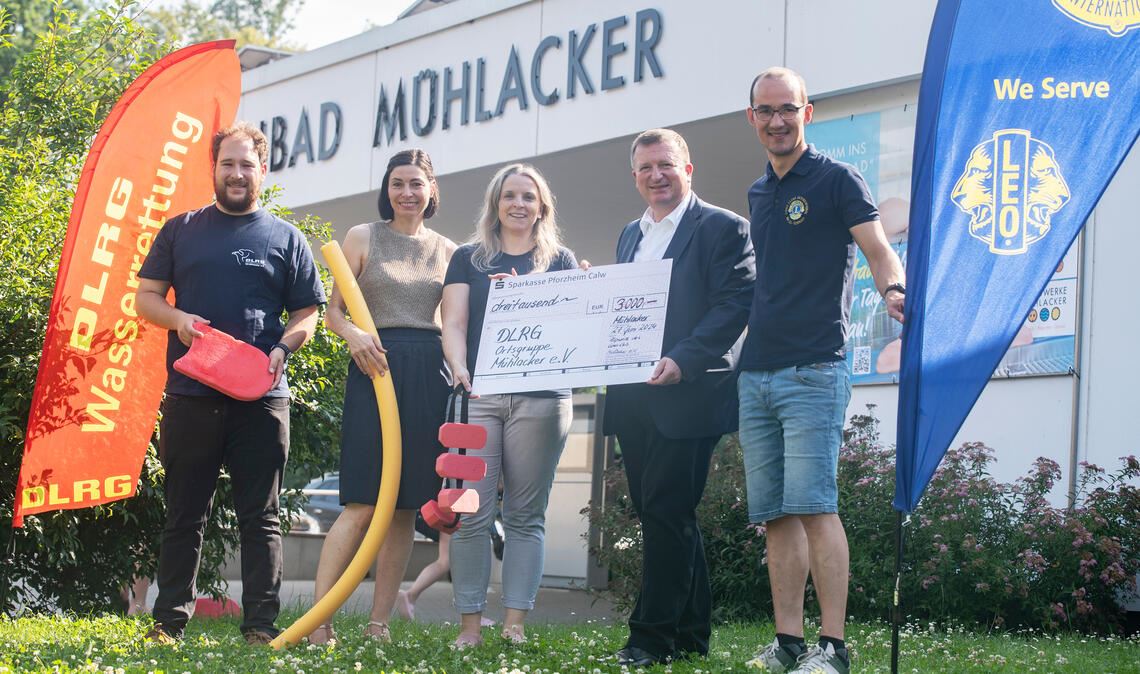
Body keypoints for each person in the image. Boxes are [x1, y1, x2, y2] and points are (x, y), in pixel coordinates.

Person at [739, 67, 905, 674]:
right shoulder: (758, 193)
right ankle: (788, 644)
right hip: (755, 372)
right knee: (775, 516)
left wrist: (893, 288)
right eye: (766, 110)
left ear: (807, 113)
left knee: (814, 505)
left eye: (789, 109)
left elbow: (878, 246)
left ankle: (832, 650)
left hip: (815, 367)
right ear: (751, 117)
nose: (777, 120)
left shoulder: (837, 178)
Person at [137, 122, 326, 645]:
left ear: (262, 171)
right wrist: (178, 320)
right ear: (214, 168)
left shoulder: (286, 238)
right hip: (192, 395)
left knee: (260, 517)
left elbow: (308, 311)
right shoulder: (181, 229)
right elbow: (146, 296)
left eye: (247, 165)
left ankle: (261, 626)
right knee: (184, 514)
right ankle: (168, 623)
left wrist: (284, 348)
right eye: (228, 164)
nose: (238, 173)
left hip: (262, 397)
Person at [603, 128, 755, 666]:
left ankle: (650, 639)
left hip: (689, 392)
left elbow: (735, 304)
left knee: (667, 508)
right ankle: (691, 635)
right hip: (632, 393)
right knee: (660, 511)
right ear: (635, 176)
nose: (655, 175)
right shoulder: (630, 234)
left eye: (665, 164)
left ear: (687, 169)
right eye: (645, 168)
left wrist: (683, 360)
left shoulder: (723, 227)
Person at [307, 149, 456, 645]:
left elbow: (456, 322)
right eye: (398, 183)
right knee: (363, 502)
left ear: (432, 190)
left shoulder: (449, 251)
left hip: (427, 376)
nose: (407, 192)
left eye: (417, 183)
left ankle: (379, 624)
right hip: (374, 369)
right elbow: (332, 313)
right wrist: (353, 336)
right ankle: (319, 622)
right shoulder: (362, 237)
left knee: (406, 508)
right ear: (387, 188)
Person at [441, 163, 577, 648]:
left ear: (542, 207)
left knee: (525, 516)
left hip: (543, 401)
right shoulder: (466, 258)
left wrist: (582, 295)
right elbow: (454, 324)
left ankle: (515, 625)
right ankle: (470, 627)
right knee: (469, 513)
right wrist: (458, 366)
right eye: (510, 196)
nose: (519, 204)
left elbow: (572, 330)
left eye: (529, 197)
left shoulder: (560, 261)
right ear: (495, 204)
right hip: (478, 397)